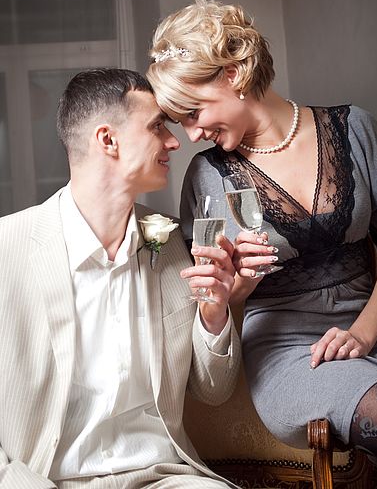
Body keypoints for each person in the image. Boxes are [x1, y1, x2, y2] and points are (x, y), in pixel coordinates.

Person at [146, 0, 377, 471]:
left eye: (194, 112)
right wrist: (233, 286)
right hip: (290, 357)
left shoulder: (356, 129)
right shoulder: (208, 176)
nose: (192, 133)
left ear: (235, 73)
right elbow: (223, 300)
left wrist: (364, 334)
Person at [0, 68, 241, 489]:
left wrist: (214, 312)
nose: (174, 141)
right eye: (156, 127)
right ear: (107, 140)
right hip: (45, 480)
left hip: (163, 477)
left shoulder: (168, 241)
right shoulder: (8, 248)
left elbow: (214, 391)